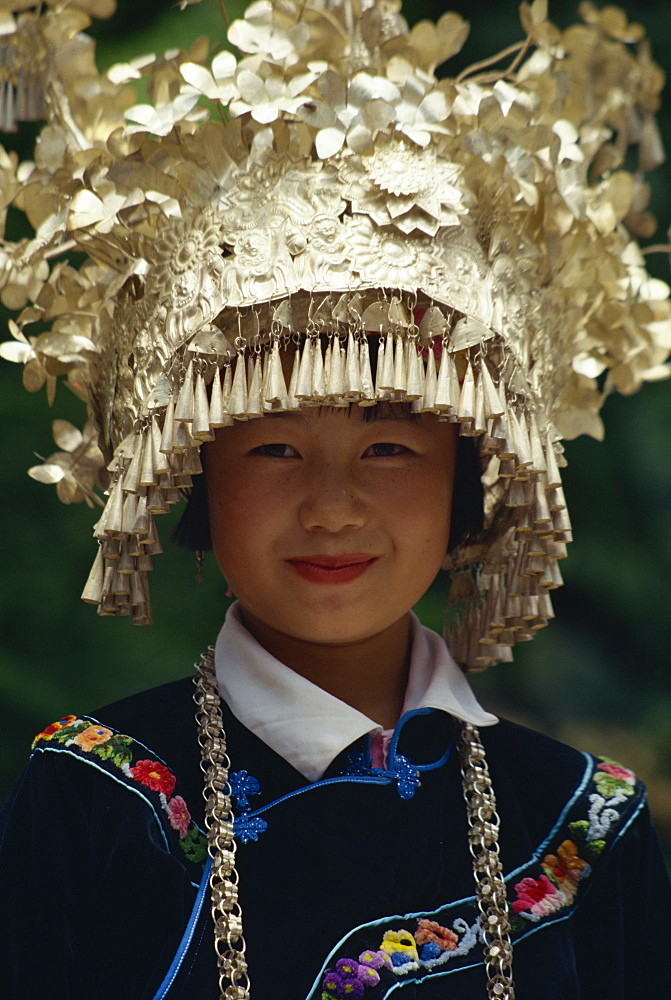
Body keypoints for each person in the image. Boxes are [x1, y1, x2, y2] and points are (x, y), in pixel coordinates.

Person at [0, 1, 670, 998]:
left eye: (388, 446)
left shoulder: (583, 819)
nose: (330, 506)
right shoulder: (96, 792)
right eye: (273, 444)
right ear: (195, 475)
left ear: (468, 480)